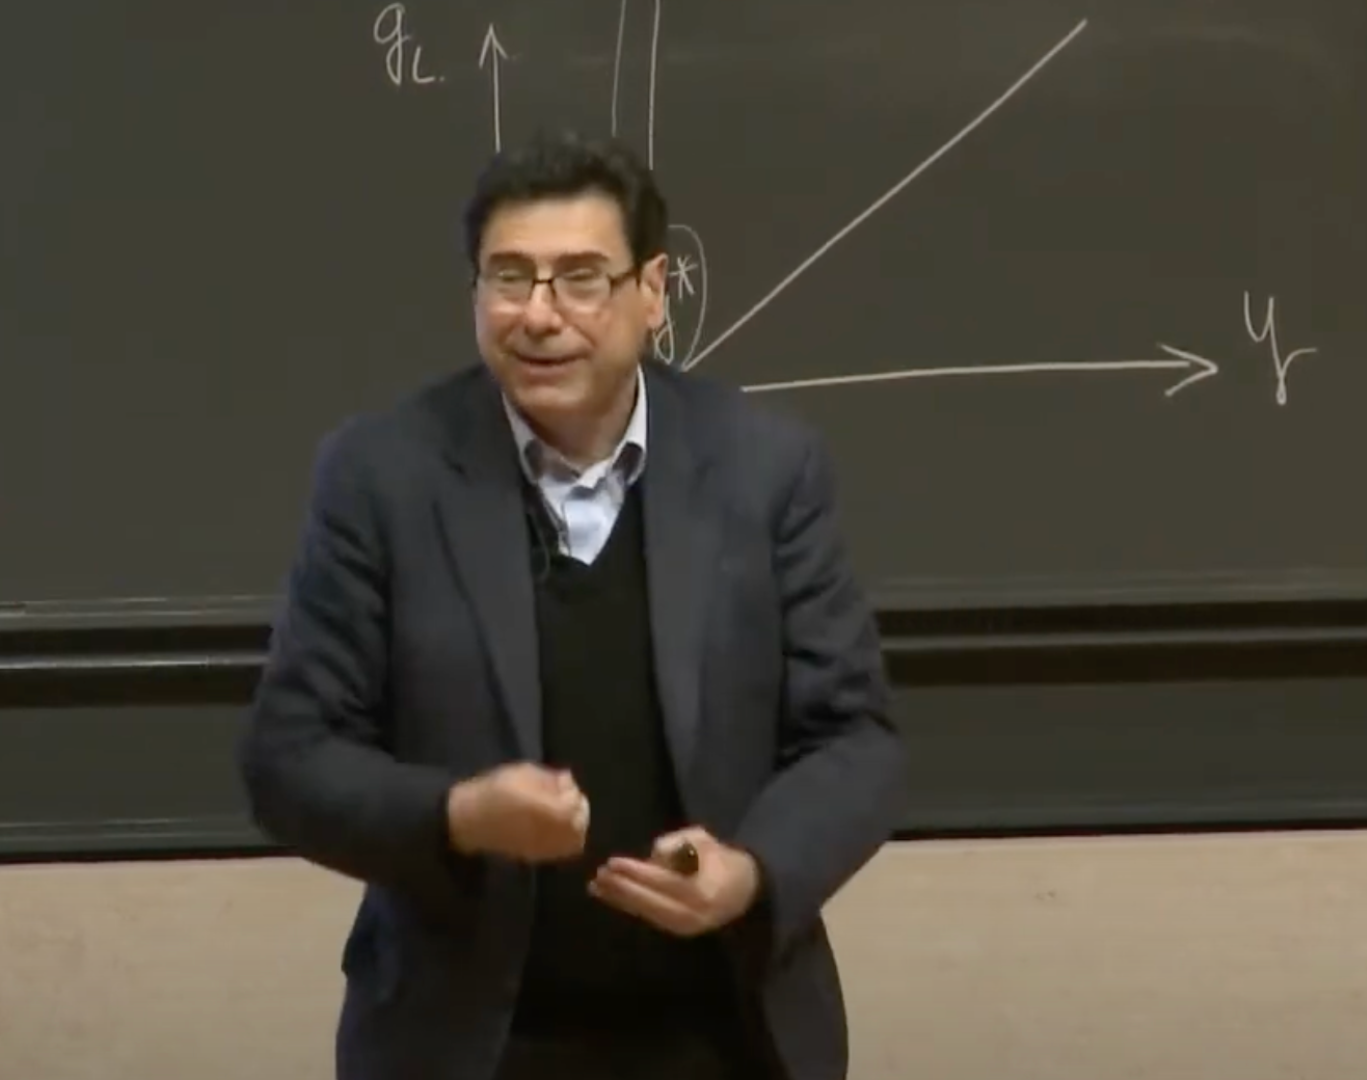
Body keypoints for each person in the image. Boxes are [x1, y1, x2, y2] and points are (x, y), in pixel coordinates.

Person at [239, 128, 906, 1080]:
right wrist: (458, 813)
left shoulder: (764, 469)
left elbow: (855, 739)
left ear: (652, 292)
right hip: (468, 1038)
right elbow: (289, 760)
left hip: (720, 1031)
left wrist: (753, 873)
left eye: (581, 279)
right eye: (509, 278)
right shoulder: (381, 476)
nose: (539, 316)